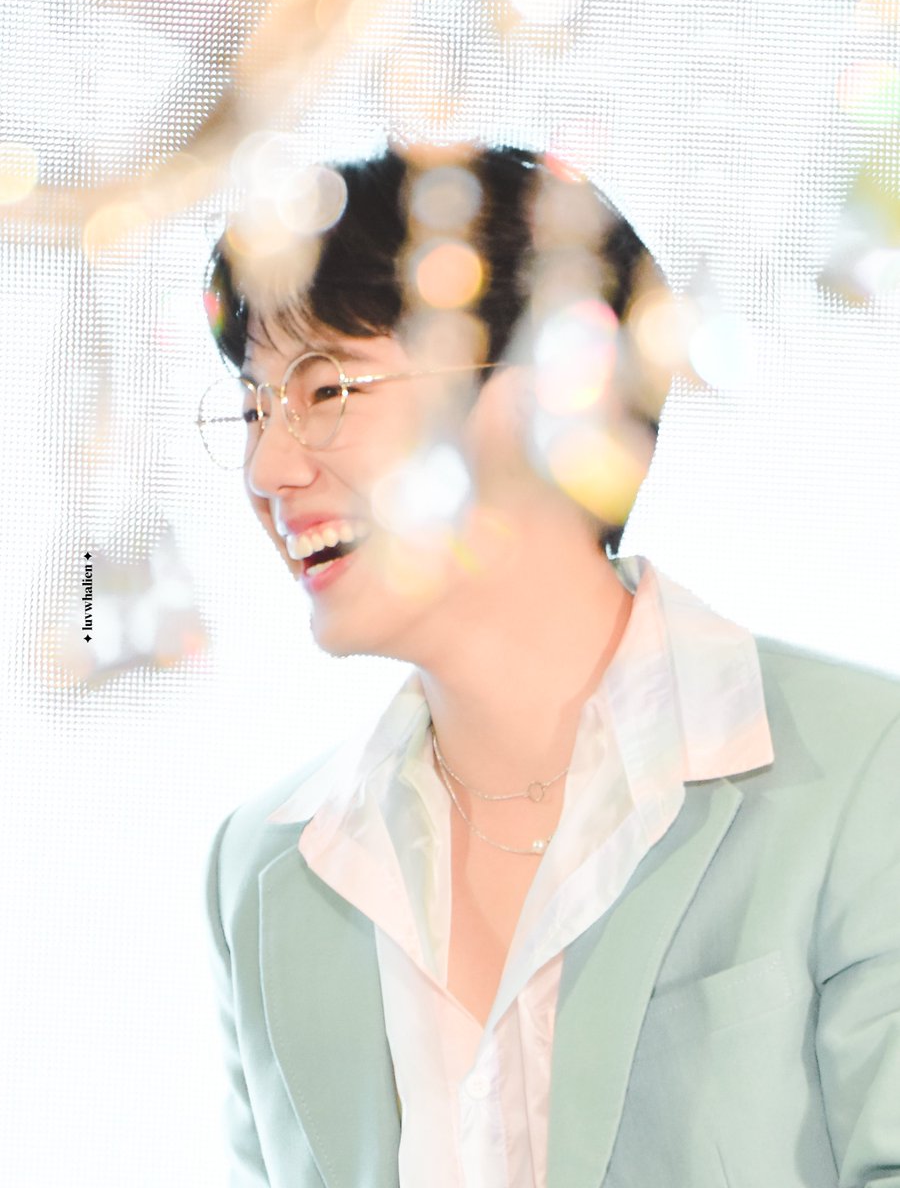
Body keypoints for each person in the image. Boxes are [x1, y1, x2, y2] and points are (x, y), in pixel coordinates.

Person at [202, 145, 900, 1188]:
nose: (268, 468)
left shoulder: (868, 776)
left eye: (327, 388)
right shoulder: (263, 871)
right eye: (255, 407)